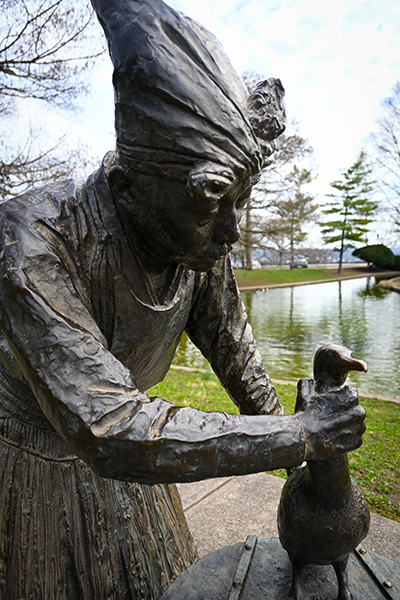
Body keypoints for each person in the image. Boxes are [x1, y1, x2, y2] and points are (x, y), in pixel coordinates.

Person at [0, 0, 366, 598]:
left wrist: (296, 445)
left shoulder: (197, 241)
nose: (230, 232)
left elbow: (231, 345)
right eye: (211, 202)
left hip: (138, 474)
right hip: (38, 466)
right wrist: (299, 434)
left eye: (240, 201)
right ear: (130, 187)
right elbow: (109, 426)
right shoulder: (31, 239)